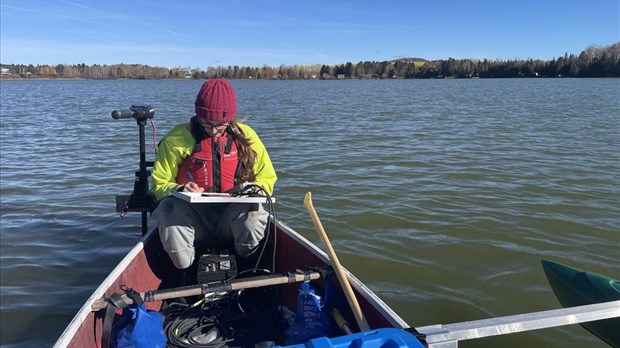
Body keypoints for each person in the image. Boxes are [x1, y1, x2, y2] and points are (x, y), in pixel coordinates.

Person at [150, 79, 277, 275]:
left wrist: (254, 188)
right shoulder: (176, 139)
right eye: (207, 124)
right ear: (197, 115)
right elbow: (158, 184)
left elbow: (267, 178)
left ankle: (247, 266)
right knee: (168, 208)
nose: (214, 130)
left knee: (254, 212)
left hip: (231, 219)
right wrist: (178, 189)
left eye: (221, 125)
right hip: (193, 219)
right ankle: (186, 272)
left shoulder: (248, 137)